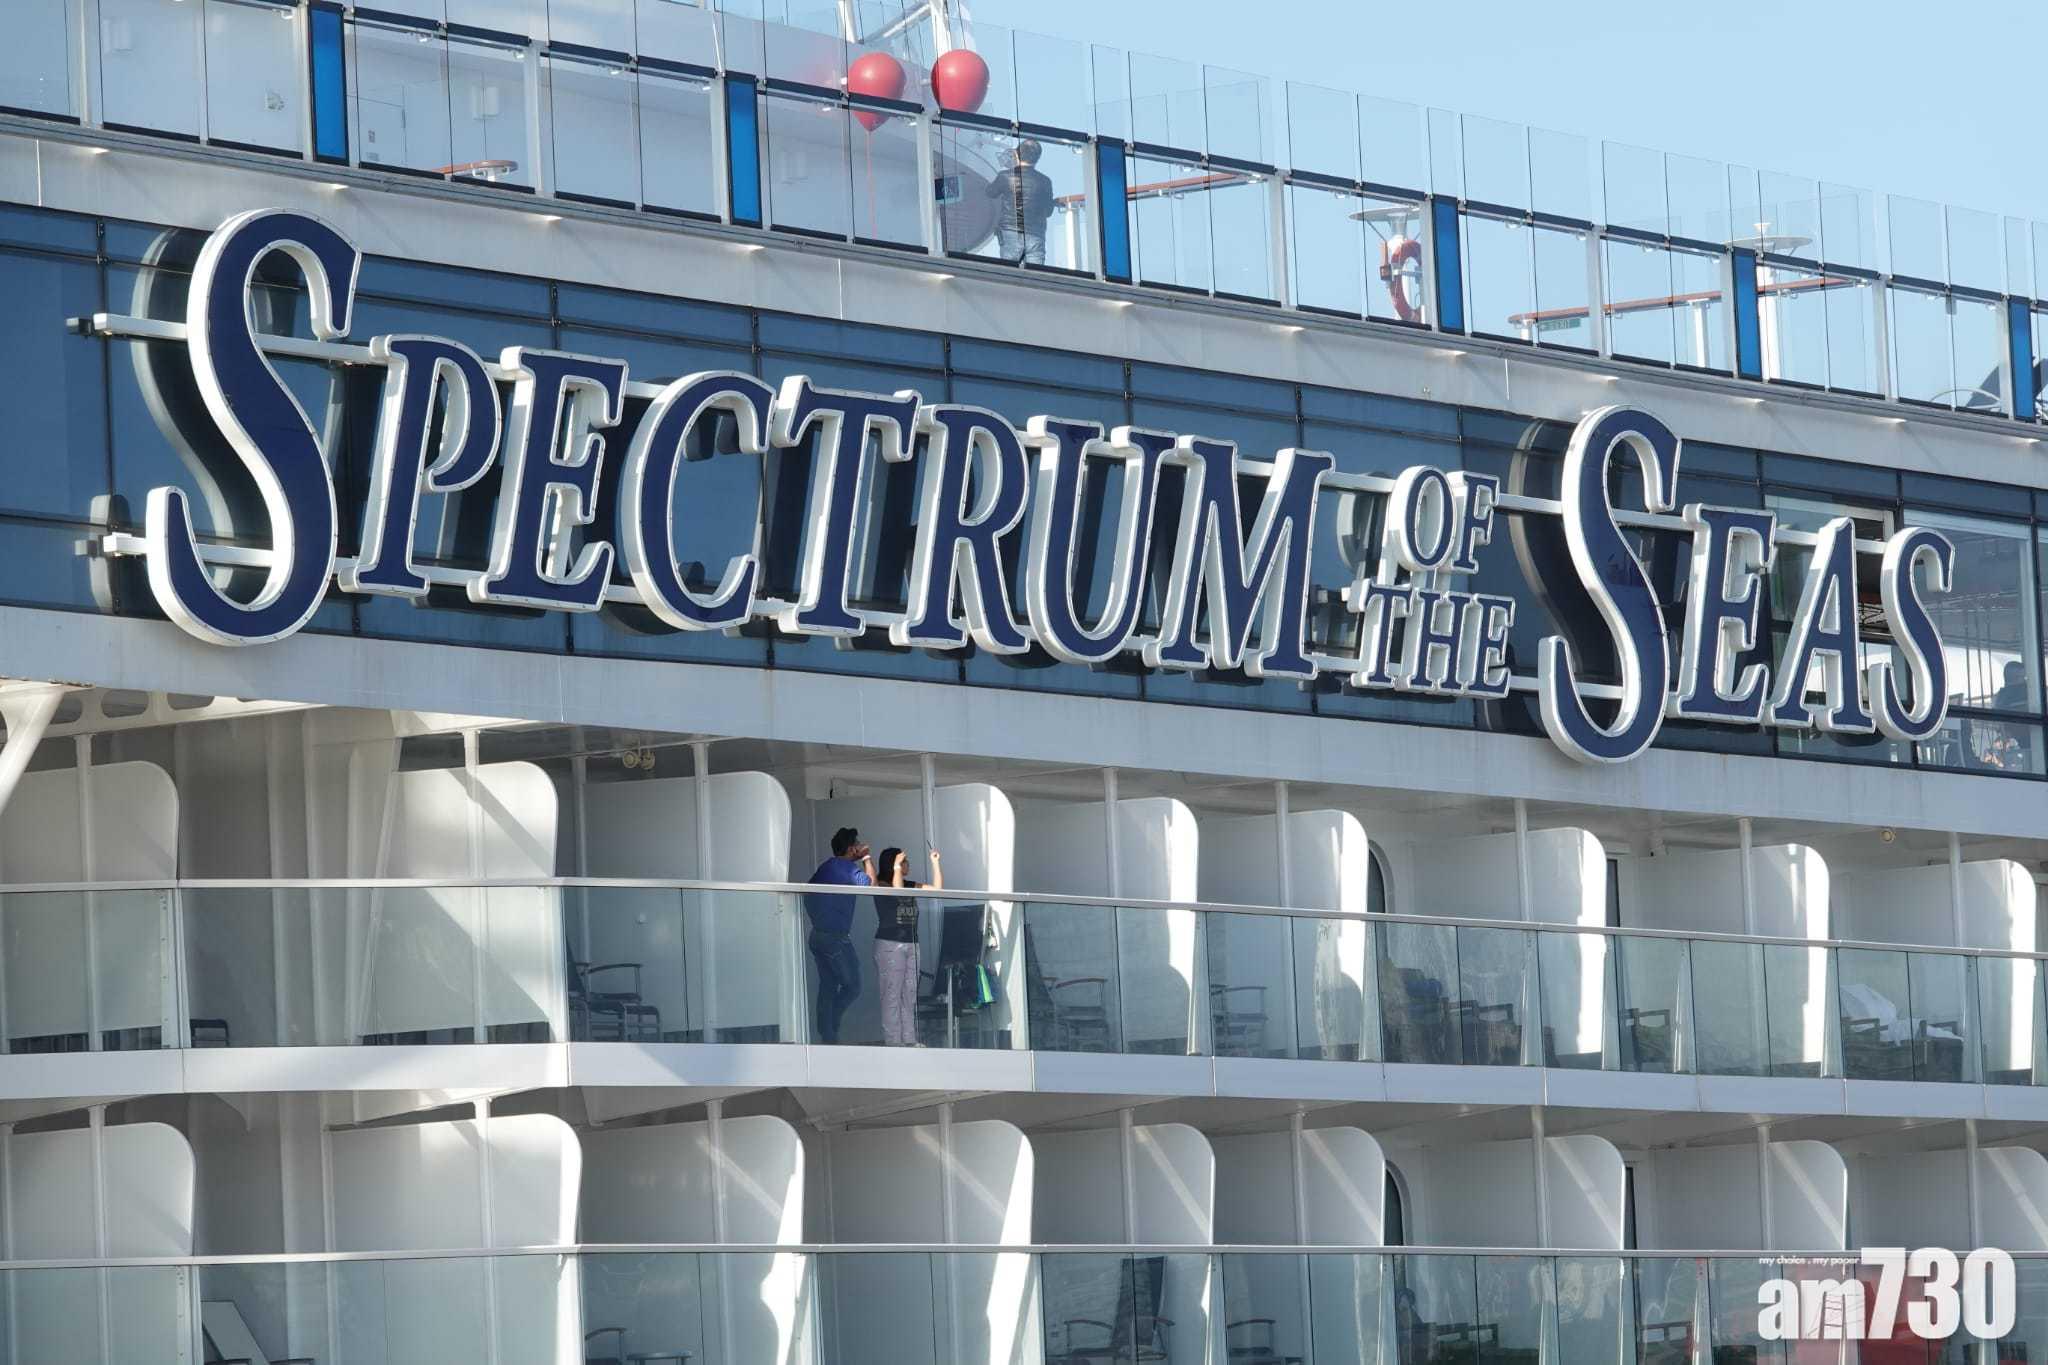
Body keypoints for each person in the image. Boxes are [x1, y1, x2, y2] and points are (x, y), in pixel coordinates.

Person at [803, 827, 873, 1044]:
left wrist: (820, 919)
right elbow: (870, 885)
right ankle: (831, 1025)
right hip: (835, 938)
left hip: (818, 935)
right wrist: (867, 858)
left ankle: (827, 1035)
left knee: (828, 986)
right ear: (851, 849)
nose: (860, 847)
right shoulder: (845, 867)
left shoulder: (827, 867)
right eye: (858, 844)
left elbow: (807, 894)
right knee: (853, 985)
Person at [872, 844, 943, 1046]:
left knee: (910, 994)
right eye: (904, 862)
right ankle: (893, 1041)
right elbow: (897, 893)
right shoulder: (881, 884)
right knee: (892, 994)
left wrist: (935, 862)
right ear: (893, 864)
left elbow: (938, 890)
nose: (907, 864)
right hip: (890, 944)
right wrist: (896, 867)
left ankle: (909, 1039)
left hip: (911, 943)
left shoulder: (910, 884)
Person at [987, 138, 1054, 267]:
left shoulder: (1005, 176)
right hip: (1036, 234)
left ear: (1017, 154)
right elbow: (1048, 212)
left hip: (1010, 232)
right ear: (1038, 158)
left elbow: (990, 192)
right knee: (1036, 274)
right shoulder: (1045, 181)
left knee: (1009, 272)